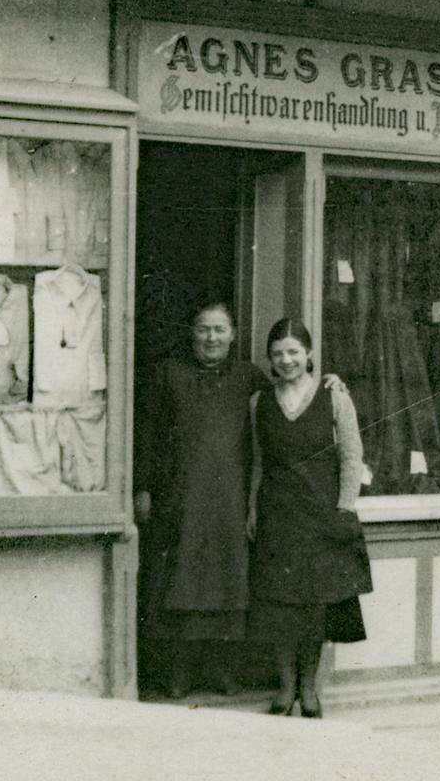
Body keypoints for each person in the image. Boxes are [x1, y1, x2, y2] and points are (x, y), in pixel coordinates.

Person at [135, 300, 262, 700]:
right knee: (180, 585)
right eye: (204, 329)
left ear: (233, 335)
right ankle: (180, 672)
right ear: (192, 332)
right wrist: (144, 487)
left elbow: (290, 402)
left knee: (228, 587)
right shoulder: (169, 374)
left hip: (230, 500)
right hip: (181, 497)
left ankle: (222, 671)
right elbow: (147, 434)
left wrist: (327, 381)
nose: (211, 337)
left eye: (219, 330)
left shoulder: (250, 377)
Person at [248, 317, 371, 717]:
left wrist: (345, 508)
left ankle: (309, 688)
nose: (287, 360)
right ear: (270, 358)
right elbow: (257, 463)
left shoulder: (334, 396)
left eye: (294, 352)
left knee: (314, 608)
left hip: (320, 516)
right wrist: (252, 509)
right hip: (277, 515)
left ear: (309, 354)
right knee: (280, 606)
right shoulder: (259, 402)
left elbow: (352, 457)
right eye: (279, 353)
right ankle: (285, 689)